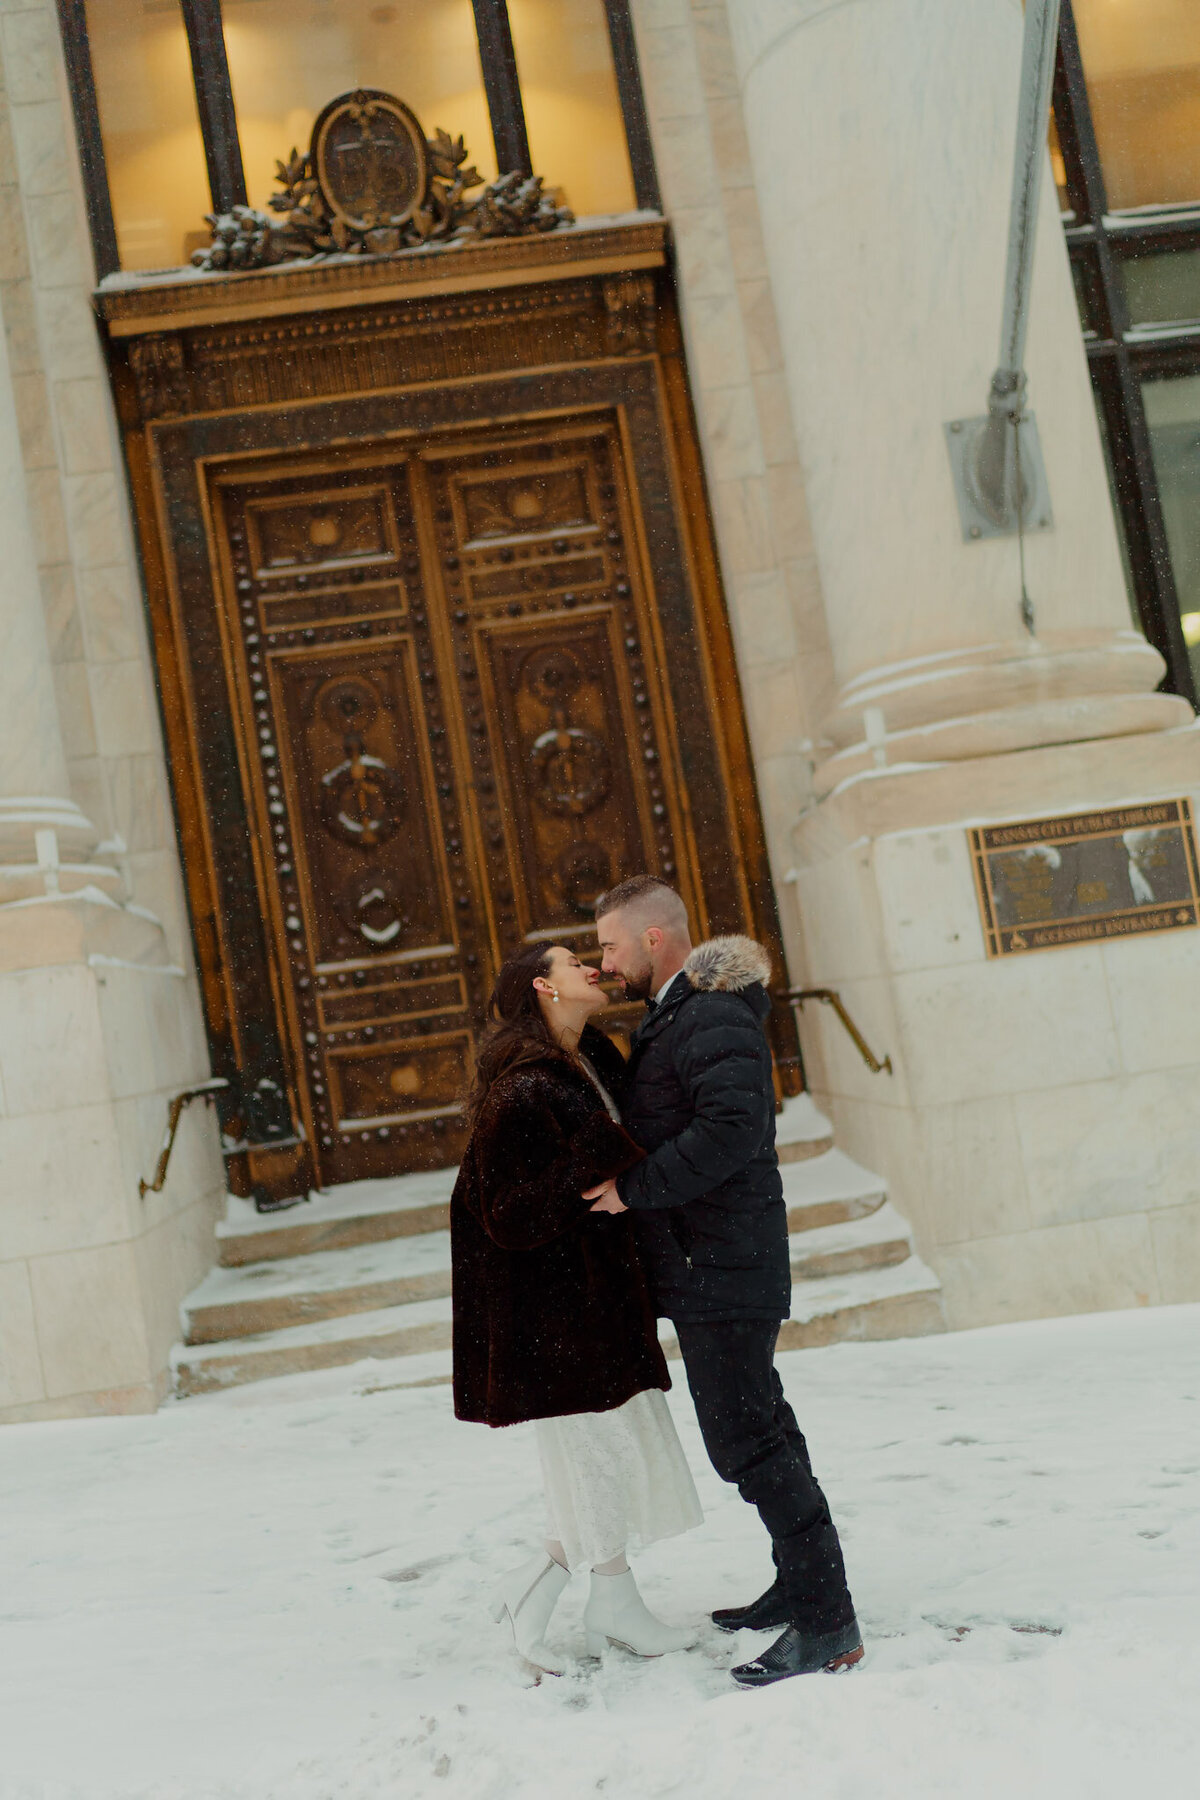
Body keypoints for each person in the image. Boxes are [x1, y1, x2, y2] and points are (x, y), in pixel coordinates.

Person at [589, 876, 863, 1686]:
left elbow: (735, 1128)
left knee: (747, 1441)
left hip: (725, 1265)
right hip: (710, 1264)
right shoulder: (678, 1013)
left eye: (609, 945)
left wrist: (633, 1189)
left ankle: (828, 1620)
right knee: (761, 1428)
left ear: (653, 938)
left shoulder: (707, 1015)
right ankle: (801, 1583)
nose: (604, 963)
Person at [450, 941, 701, 1676]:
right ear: (543, 987)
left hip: (595, 1301)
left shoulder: (586, 1060)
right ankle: (586, 1597)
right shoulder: (524, 1088)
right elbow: (504, 1215)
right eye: (570, 962)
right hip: (559, 1314)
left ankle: (576, 1593)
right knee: (600, 1454)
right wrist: (587, 1161)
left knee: (607, 1454)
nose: (591, 967)